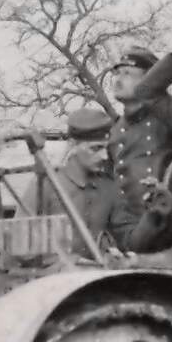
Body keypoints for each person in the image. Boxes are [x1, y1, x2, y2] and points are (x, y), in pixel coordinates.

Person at [106, 46, 172, 251]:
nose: (118, 79)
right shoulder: (115, 130)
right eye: (117, 73)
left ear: (150, 79)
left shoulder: (168, 119)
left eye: (127, 73)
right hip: (127, 230)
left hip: (166, 227)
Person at [37, 106, 118, 257]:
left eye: (106, 149)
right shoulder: (47, 186)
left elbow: (120, 236)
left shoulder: (108, 188)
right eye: (96, 148)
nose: (104, 156)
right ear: (73, 145)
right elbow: (19, 246)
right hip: (53, 277)